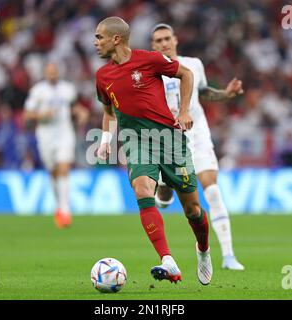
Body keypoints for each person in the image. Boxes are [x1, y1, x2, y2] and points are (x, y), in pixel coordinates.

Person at [95, 17, 213, 285]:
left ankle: (203, 250)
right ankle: (167, 260)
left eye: (99, 37)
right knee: (142, 190)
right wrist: (105, 140)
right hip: (136, 141)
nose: (95, 43)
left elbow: (187, 74)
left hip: (169, 139)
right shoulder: (102, 76)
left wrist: (183, 111)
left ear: (116, 39)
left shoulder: (149, 60)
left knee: (193, 209)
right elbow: (108, 110)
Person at [151, 23, 245, 270]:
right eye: (158, 40)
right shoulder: (150, 70)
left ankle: (228, 255)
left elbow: (203, 92)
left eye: (167, 38)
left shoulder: (193, 64)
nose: (164, 43)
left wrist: (225, 94)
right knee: (165, 194)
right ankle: (163, 192)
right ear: (153, 45)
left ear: (175, 39)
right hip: (168, 138)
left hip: (197, 132)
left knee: (212, 190)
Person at [24, 62, 89, 228]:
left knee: (64, 168)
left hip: (64, 134)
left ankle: (65, 211)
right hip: (45, 136)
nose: (52, 74)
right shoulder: (38, 91)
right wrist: (42, 114)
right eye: (49, 72)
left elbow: (73, 107)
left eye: (55, 71)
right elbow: (27, 115)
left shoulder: (68, 89)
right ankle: (59, 205)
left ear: (58, 72)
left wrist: (81, 112)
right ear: (45, 73)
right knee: (53, 172)